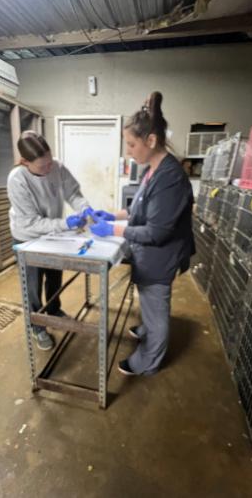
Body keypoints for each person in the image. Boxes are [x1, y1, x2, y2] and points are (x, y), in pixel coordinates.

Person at [89, 92, 195, 376]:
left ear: (151, 141)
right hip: (150, 253)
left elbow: (157, 231)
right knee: (148, 301)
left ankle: (148, 361)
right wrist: (113, 214)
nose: (129, 151)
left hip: (161, 255)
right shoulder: (152, 169)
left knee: (156, 305)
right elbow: (140, 210)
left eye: (132, 144)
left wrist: (112, 229)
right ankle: (147, 326)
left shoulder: (170, 177)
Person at [7, 130, 91, 351]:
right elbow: (31, 223)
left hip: (54, 233)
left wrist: (85, 208)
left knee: (55, 275)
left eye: (49, 163)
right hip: (27, 237)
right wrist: (66, 224)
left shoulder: (57, 166)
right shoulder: (17, 180)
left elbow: (73, 192)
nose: (48, 169)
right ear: (25, 162)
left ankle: (54, 310)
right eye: (42, 167)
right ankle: (37, 325)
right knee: (32, 284)